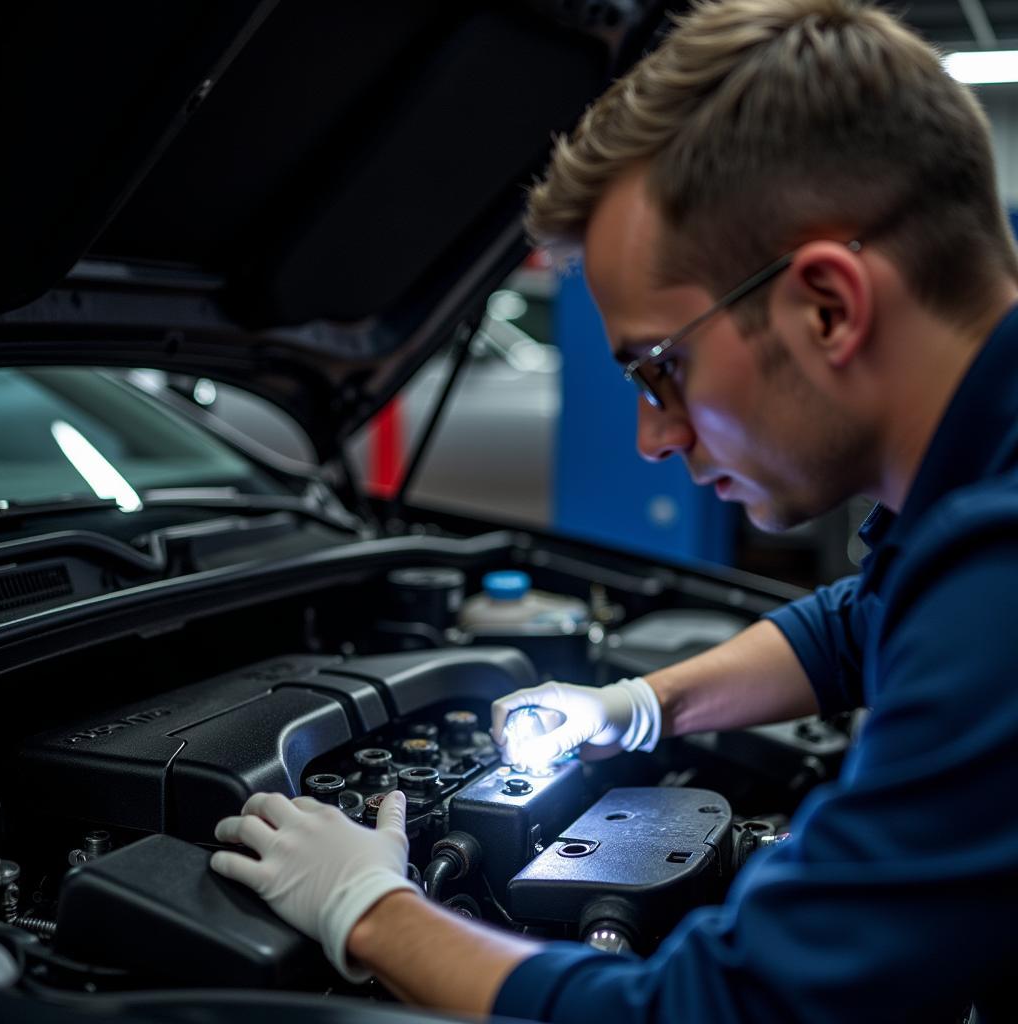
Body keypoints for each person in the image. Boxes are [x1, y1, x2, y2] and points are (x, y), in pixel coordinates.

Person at [209, 0, 1018, 1019]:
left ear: (826, 305)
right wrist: (638, 705)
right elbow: (866, 617)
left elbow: (712, 1010)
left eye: (655, 369)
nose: (653, 436)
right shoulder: (978, 495)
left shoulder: (1001, 581)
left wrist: (367, 906)